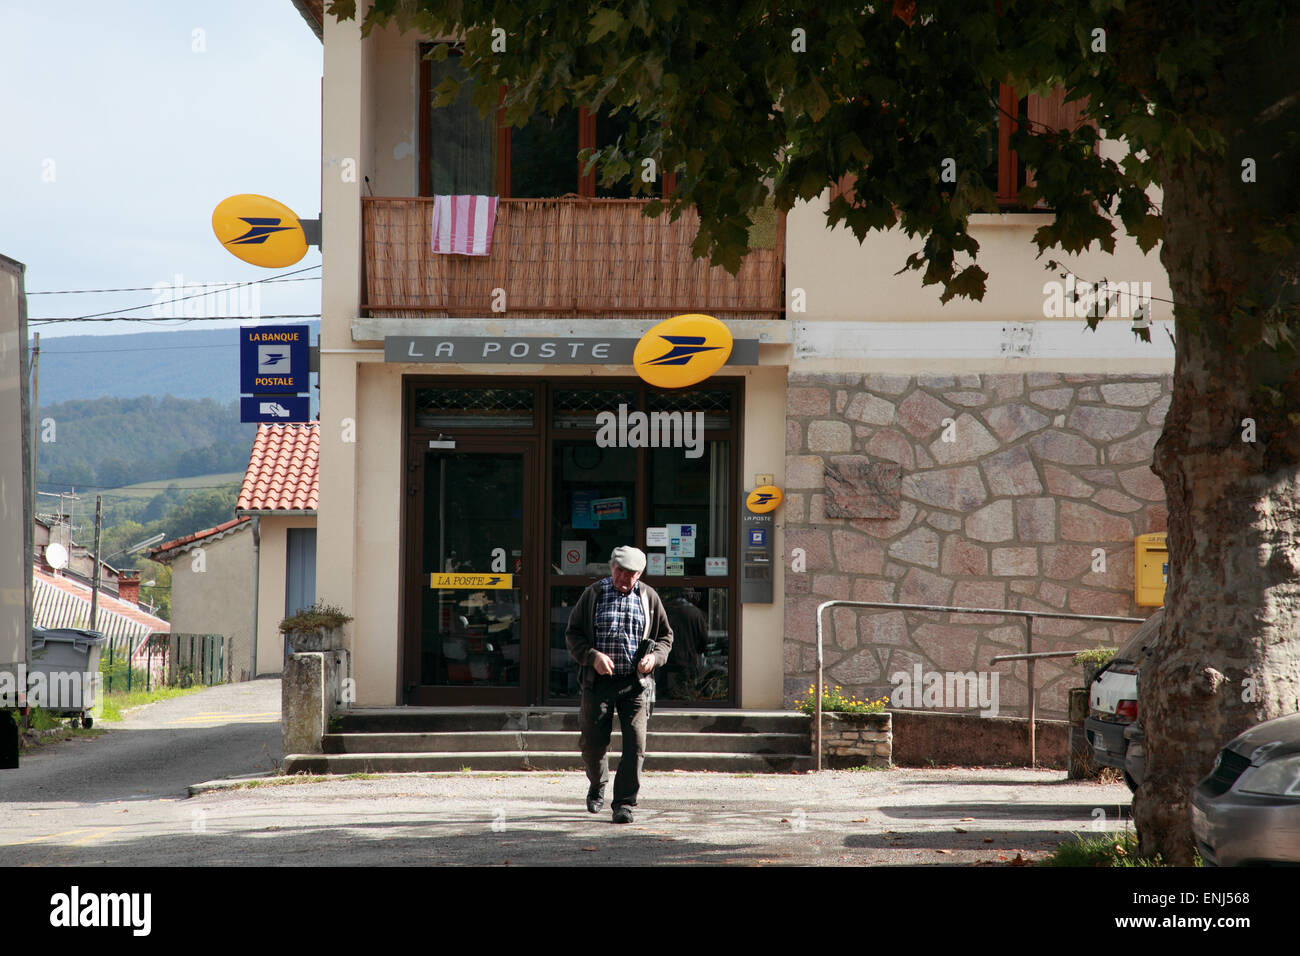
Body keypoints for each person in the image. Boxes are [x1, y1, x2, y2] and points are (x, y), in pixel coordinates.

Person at [565, 545, 673, 823]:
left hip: (635, 684)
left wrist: (654, 658)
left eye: (631, 574)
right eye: (620, 571)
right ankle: (597, 783)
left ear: (640, 574)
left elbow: (665, 638)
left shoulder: (649, 597)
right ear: (611, 567)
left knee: (635, 744)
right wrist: (592, 656)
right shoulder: (594, 594)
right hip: (598, 682)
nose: (624, 578)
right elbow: (573, 633)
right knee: (592, 743)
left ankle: (624, 803)